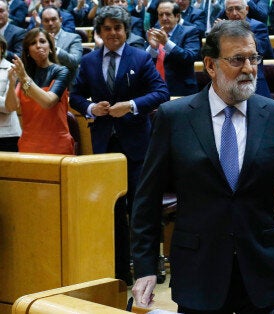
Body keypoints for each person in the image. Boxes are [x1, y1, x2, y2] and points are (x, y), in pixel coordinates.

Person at [131, 20, 274, 313]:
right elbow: (147, 199)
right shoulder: (174, 117)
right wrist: (145, 267)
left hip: (262, 269)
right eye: (237, 60)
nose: (249, 68)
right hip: (199, 270)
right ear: (211, 65)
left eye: (253, 58)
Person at [69, 5, 169, 284]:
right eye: (107, 28)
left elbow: (161, 92)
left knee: (141, 208)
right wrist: (91, 109)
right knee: (112, 210)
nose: (113, 33)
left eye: (118, 28)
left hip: (137, 147)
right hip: (104, 147)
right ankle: (120, 272)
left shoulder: (139, 57)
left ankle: (148, 267)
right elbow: (75, 97)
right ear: (99, 32)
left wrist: (132, 106)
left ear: (126, 30)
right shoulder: (89, 61)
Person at [5, 28, 73, 154]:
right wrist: (11, 83)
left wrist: (24, 78)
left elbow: (48, 102)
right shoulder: (24, 75)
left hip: (57, 145)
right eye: (32, 43)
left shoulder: (61, 71)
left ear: (50, 47)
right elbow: (11, 107)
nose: (38, 46)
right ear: (28, 51)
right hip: (28, 144)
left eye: (42, 41)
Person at [219, 0, 272, 97]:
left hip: (253, 80)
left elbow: (260, 50)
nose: (234, 13)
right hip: (228, 82)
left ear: (246, 9)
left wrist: (231, 32)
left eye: (238, 8)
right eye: (230, 10)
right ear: (226, 13)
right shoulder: (221, 31)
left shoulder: (258, 26)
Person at [146, 0, 200, 96]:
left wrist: (166, 43)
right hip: (156, 89)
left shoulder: (190, 31)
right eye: (161, 15)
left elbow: (190, 57)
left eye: (167, 14)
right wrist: (153, 48)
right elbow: (146, 63)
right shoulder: (155, 32)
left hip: (181, 90)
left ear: (177, 16)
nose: (164, 18)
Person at [40, 6, 82, 83]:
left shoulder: (73, 38)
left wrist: (54, 49)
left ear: (61, 20)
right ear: (42, 22)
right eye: (46, 20)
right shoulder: (37, 41)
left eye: (53, 19)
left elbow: (75, 62)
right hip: (41, 85)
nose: (50, 23)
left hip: (66, 86)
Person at [0, 35, 21, 152]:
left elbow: (9, 106)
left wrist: (5, 102)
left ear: (1, 48)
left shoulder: (12, 69)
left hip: (6, 136)